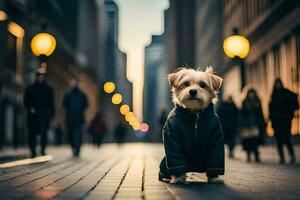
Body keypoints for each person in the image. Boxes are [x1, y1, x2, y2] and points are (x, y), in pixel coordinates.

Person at [24, 68, 54, 157]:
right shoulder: (30, 88)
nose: (40, 78)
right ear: (36, 77)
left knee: (43, 133)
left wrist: (50, 113)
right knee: (32, 133)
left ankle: (43, 149)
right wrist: (31, 108)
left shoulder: (48, 89)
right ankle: (32, 150)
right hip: (33, 115)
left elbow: (51, 102)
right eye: (39, 76)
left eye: (42, 76)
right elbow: (26, 101)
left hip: (44, 115)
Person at [269, 78, 299, 164]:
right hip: (276, 121)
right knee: (279, 140)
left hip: (285, 120)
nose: (278, 85)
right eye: (276, 84)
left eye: (279, 83)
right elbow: (271, 109)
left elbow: (294, 97)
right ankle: (281, 157)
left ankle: (292, 155)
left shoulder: (286, 93)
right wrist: (271, 119)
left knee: (287, 138)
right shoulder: (273, 95)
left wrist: (290, 114)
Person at [240, 87, 266, 163]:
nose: (251, 94)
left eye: (252, 93)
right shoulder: (244, 102)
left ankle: (256, 156)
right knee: (248, 141)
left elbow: (261, 113)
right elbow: (242, 114)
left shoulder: (257, 101)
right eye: (250, 93)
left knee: (255, 141)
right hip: (247, 125)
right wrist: (242, 125)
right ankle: (248, 155)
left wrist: (263, 123)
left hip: (255, 124)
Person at [63, 78, 88, 157]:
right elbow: (64, 104)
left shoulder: (82, 94)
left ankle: (77, 149)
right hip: (70, 118)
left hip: (79, 118)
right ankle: (73, 147)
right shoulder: (68, 94)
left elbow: (86, 105)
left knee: (78, 134)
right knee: (70, 134)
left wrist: (79, 109)